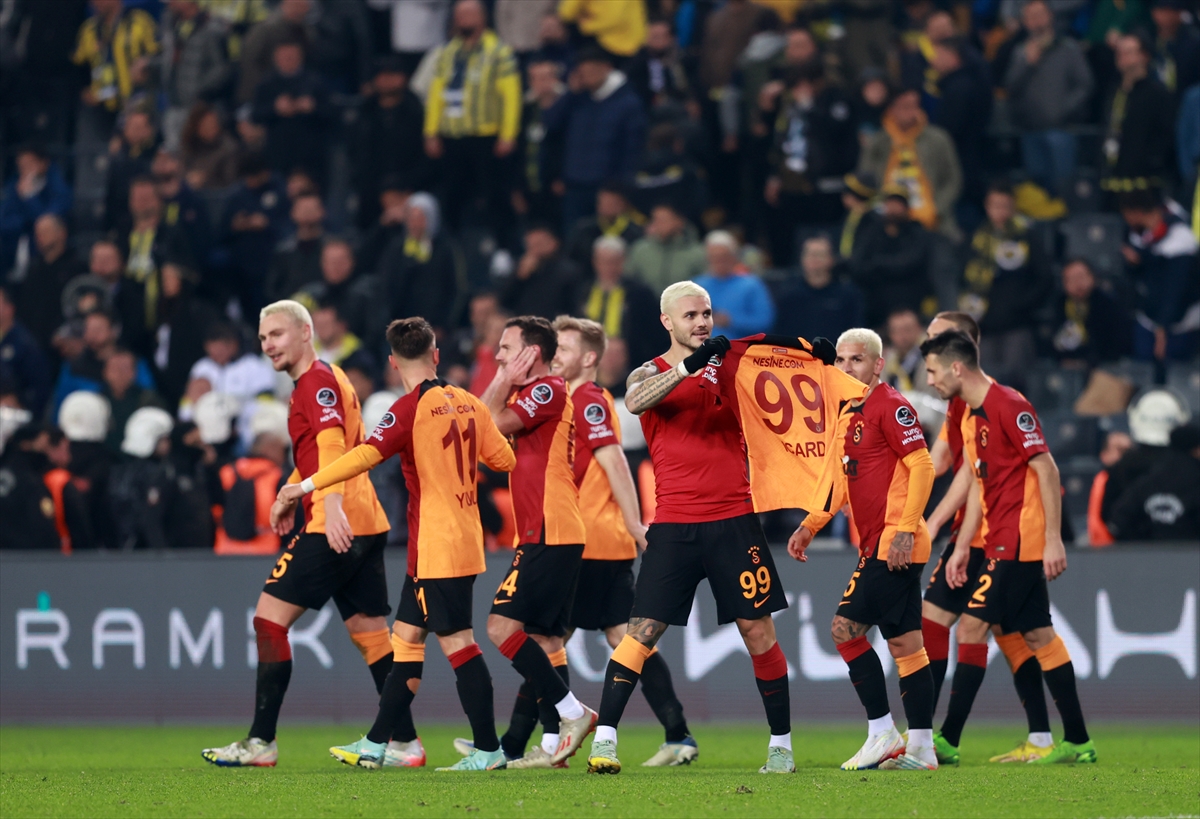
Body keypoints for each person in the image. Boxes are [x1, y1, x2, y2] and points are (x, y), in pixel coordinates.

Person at [277, 317, 517, 771]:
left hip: (437, 545)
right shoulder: (469, 402)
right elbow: (504, 460)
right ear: (436, 354)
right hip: (460, 539)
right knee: (405, 640)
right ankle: (376, 743)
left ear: (392, 362)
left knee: (458, 643)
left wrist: (304, 486)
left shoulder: (408, 409)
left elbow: (364, 455)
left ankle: (489, 750)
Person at [586, 282, 792, 775]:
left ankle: (781, 747)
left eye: (706, 314)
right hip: (675, 525)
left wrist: (812, 356)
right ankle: (605, 742)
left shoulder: (731, 367)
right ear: (667, 322)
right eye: (690, 316)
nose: (701, 323)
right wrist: (689, 367)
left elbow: (780, 372)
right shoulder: (649, 372)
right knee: (640, 633)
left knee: (758, 631)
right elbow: (635, 402)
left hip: (735, 520)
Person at [489, 316, 696, 769]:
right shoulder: (575, 398)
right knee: (611, 637)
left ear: (588, 358)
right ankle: (676, 732)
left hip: (589, 541)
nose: (555, 357)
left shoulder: (584, 399)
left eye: (564, 349)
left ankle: (520, 743)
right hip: (596, 539)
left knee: (543, 638)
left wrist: (635, 523)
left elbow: (614, 460)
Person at [201, 300, 392, 768]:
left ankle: (261, 741)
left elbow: (332, 447)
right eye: (263, 338)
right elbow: (318, 453)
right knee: (370, 634)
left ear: (306, 333)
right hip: (365, 519)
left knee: (269, 620)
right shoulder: (326, 377)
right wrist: (290, 491)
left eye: (277, 335)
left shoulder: (316, 384)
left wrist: (329, 505)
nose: (268, 345)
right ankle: (405, 741)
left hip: (336, 523)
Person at [920, 330, 1096, 765]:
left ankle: (947, 740)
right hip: (999, 536)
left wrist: (1052, 538)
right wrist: (963, 544)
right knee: (1037, 634)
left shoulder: (1009, 405)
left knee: (971, 628)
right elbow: (979, 483)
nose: (930, 380)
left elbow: (1047, 469)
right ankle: (1077, 741)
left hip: (1019, 540)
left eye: (933, 371)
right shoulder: (973, 414)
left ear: (956, 367)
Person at [788, 328, 937, 770]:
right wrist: (811, 525)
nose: (847, 367)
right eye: (841, 360)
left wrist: (905, 531)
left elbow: (923, 465)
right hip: (881, 542)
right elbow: (840, 480)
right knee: (906, 644)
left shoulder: (890, 405)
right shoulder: (848, 410)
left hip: (895, 543)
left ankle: (882, 731)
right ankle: (922, 748)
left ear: (877, 364)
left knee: (844, 630)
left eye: (857, 359)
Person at [478, 316, 598, 766]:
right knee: (546, 640)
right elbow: (484, 435)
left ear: (532, 353)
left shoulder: (547, 389)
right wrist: (505, 382)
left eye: (507, 348)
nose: (499, 356)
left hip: (550, 528)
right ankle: (552, 745)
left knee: (500, 628)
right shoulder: (530, 394)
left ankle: (573, 713)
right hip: (549, 529)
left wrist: (501, 380)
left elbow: (487, 423)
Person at [424, 0, 521, 240]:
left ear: (482, 18)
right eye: (460, 14)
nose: (463, 19)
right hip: (452, 136)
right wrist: (431, 132)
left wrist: (508, 134)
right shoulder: (447, 53)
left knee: (495, 195)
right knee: (452, 196)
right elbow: (436, 94)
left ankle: (502, 245)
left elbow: (511, 97)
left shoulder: (499, 52)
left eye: (469, 14)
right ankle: (451, 245)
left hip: (485, 136)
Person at [959, 183, 1052, 390]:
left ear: (1013, 207)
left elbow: (1044, 277)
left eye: (1005, 206)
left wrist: (1023, 305)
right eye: (995, 205)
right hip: (983, 325)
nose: (1000, 211)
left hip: (1017, 324)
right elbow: (962, 277)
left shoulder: (1026, 236)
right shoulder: (976, 239)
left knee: (1015, 385)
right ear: (987, 206)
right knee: (984, 385)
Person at [545, 46, 648, 232]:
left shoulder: (627, 102)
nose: (588, 77)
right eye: (583, 73)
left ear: (607, 68)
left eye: (592, 71)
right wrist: (570, 93)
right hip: (575, 185)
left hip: (607, 187)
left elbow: (632, 150)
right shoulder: (577, 99)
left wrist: (620, 188)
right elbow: (551, 124)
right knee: (575, 236)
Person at [1004, 0, 1094, 198]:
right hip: (1030, 130)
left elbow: (1084, 85)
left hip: (1062, 130)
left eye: (1040, 15)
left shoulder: (1068, 48)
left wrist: (1063, 110)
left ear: (1050, 16)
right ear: (1025, 22)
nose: (1036, 21)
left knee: (1064, 186)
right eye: (1031, 17)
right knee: (1036, 189)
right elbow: (1011, 88)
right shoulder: (1020, 52)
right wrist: (1027, 64)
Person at [857, 87, 962, 242]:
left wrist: (937, 207)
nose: (912, 112)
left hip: (934, 221)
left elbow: (953, 179)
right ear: (892, 109)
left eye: (915, 106)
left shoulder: (938, 139)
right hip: (886, 220)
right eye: (905, 107)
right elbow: (865, 179)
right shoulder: (878, 142)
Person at [1119, 190, 1200, 362]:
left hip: (1179, 324)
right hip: (1147, 319)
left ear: (1136, 213)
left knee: (1174, 372)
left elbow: (1176, 289)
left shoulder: (1181, 240)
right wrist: (1136, 263)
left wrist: (1163, 327)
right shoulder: (1140, 236)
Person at [353, 56, 427, 231]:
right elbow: (358, 156)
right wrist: (381, 190)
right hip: (372, 193)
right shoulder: (364, 114)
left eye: (392, 74)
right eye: (382, 75)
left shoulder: (417, 113)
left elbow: (426, 158)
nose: (387, 80)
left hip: (412, 190)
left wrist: (406, 189)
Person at [250, 36, 334, 190]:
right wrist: (275, 108)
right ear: (276, 57)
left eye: (292, 56)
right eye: (284, 56)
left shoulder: (316, 82)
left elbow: (333, 115)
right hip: (279, 155)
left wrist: (313, 108)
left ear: (300, 56)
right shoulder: (266, 84)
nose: (288, 60)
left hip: (311, 156)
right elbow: (255, 115)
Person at [849, 189, 938, 328]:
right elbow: (858, 266)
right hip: (875, 307)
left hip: (910, 304)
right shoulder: (871, 233)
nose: (893, 208)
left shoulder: (917, 233)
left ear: (906, 208)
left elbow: (909, 263)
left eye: (898, 204)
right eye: (890, 203)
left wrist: (878, 264)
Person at [1103, 35, 1177, 196]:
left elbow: (1165, 136)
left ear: (1144, 56)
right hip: (1112, 177)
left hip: (1145, 183)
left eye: (1128, 52)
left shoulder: (1158, 94)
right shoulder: (1115, 92)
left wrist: (1151, 163)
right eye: (1119, 52)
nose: (1122, 56)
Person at [579, 236, 663, 377]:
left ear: (623, 261)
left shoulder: (640, 294)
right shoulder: (584, 291)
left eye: (614, 262)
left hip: (631, 368)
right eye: (604, 262)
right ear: (595, 262)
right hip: (589, 366)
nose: (609, 267)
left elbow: (655, 335)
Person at [1108, 423, 1200, 541]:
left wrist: (1139, 544)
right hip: (1191, 550)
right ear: (1196, 449)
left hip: (1147, 550)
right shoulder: (1195, 480)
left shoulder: (1148, 479)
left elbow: (1118, 521)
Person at [159, 0, 231, 151]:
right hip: (172, 105)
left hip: (199, 109)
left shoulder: (210, 28)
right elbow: (169, 59)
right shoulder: (170, 24)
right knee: (173, 153)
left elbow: (221, 68)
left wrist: (198, 89)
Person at [71, 0, 160, 120]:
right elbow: (77, 65)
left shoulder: (139, 21)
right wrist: (83, 90)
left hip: (137, 105)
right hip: (101, 108)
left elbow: (158, 54)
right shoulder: (88, 29)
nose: (96, 3)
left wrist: (146, 64)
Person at [16, 216, 85, 357]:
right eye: (37, 233)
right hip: (34, 344)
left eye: (45, 232)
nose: (39, 237)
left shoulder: (77, 267)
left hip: (64, 344)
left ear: (62, 233)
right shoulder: (33, 269)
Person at [774, 234, 864, 343]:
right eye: (810, 254)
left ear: (831, 259)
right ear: (802, 259)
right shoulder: (788, 295)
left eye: (820, 255)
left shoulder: (848, 295)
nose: (814, 259)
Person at [0, 144, 73, 277]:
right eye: (21, 166)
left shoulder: (58, 189)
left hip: (44, 260)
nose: (25, 170)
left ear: (43, 164)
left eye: (29, 164)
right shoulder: (13, 187)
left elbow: (46, 223)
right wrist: (24, 222)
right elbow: (4, 221)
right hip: (13, 253)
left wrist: (30, 198)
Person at [1050, 258, 1132, 367]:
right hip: (1067, 366)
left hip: (1104, 365)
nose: (1078, 283)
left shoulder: (1108, 304)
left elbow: (1117, 343)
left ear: (1093, 277)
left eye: (1081, 277)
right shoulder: (1060, 304)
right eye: (1071, 279)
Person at [693, 231, 775, 339]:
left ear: (734, 257)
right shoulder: (697, 286)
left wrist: (731, 321)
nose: (718, 261)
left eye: (723, 257)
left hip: (741, 346)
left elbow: (765, 321)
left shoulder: (752, 285)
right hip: (702, 346)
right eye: (713, 257)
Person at [500, 224, 583, 320]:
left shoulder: (568, 272)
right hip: (526, 325)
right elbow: (504, 302)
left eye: (539, 244)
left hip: (555, 324)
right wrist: (519, 278)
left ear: (553, 243)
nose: (535, 250)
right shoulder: (522, 271)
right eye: (531, 246)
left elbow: (573, 307)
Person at [564, 183, 645, 281]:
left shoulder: (636, 233)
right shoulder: (584, 230)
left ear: (623, 204)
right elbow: (572, 259)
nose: (607, 206)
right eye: (603, 202)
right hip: (587, 283)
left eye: (612, 203)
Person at [626, 204, 707, 295]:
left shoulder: (696, 253)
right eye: (655, 220)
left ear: (679, 221)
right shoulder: (640, 250)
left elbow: (704, 284)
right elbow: (628, 279)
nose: (658, 225)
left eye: (663, 220)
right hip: (645, 302)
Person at [266, 192, 325, 303]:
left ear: (322, 211)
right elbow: (272, 289)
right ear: (293, 213)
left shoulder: (332, 248)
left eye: (311, 209)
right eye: (303, 209)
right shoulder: (283, 251)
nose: (307, 213)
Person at [180, 103, 242, 190]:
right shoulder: (190, 145)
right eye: (205, 124)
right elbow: (181, 169)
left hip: (216, 194)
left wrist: (204, 180)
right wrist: (188, 178)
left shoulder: (229, 148)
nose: (210, 127)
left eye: (213, 123)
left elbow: (230, 182)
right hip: (189, 193)